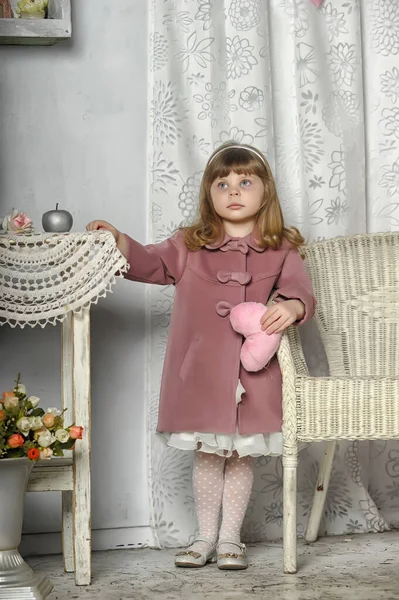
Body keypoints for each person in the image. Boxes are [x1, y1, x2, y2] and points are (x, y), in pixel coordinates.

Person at [86, 141, 316, 570]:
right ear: (209, 195)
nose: (233, 191)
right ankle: (204, 537)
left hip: (253, 374)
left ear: (264, 192)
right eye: (222, 183)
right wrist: (118, 239)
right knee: (209, 454)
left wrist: (291, 306)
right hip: (202, 372)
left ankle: (231, 539)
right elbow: (149, 263)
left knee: (241, 454)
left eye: (245, 182)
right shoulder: (189, 244)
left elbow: (299, 289)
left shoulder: (281, 246)